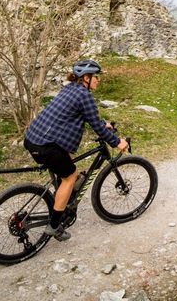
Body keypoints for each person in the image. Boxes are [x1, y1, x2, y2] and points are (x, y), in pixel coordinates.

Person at [24, 59, 128, 241]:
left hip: (33, 138)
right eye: (96, 77)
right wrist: (116, 142)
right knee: (70, 177)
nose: (98, 80)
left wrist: (104, 124)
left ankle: (62, 200)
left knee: (68, 162)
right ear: (86, 78)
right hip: (47, 146)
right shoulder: (84, 95)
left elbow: (87, 115)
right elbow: (95, 125)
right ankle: (54, 226)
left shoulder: (70, 88)